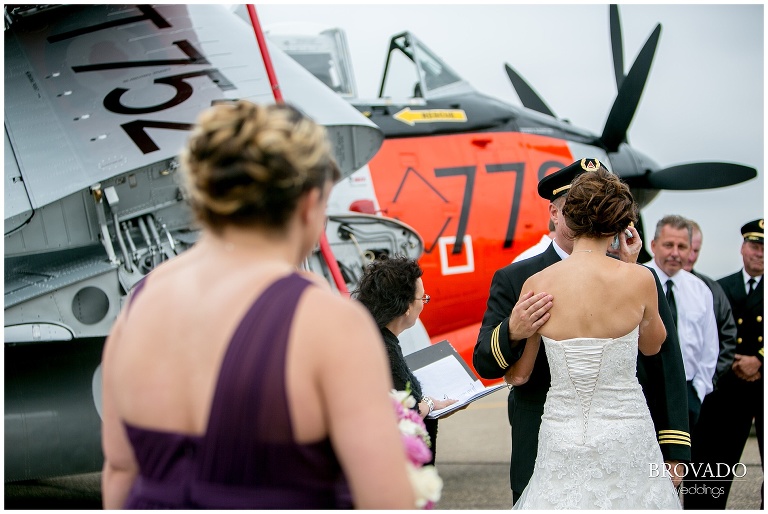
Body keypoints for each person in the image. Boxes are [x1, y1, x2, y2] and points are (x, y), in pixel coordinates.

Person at [100, 101, 415, 509]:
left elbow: (121, 472)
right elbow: (386, 501)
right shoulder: (327, 323)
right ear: (308, 201)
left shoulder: (138, 309)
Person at [474, 158, 690, 504]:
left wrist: (675, 448)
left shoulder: (537, 283)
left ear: (569, 216)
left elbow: (667, 365)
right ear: (553, 214)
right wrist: (512, 329)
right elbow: (653, 346)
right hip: (564, 445)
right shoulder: (515, 277)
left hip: (565, 442)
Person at [686, 219, 764, 510]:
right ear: (743, 248)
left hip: (763, 384)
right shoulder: (720, 287)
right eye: (755, 246)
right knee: (714, 462)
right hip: (729, 389)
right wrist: (732, 362)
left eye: (765, 248)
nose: (760, 253)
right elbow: (711, 334)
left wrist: (759, 359)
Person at [352, 255, 457, 465]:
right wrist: (430, 404)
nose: (424, 303)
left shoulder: (366, 335)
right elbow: (407, 413)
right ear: (407, 306)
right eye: (422, 298)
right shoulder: (385, 350)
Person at [646, 215, 719, 430]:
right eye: (669, 245)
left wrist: (698, 391)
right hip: (644, 389)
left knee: (680, 462)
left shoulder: (700, 290)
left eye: (682, 246)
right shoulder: (636, 281)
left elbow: (710, 347)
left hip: (686, 392)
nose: (675, 253)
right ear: (653, 245)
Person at [683, 219, 738, 389]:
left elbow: (727, 337)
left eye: (696, 251)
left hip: (699, 389)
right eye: (687, 248)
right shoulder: (650, 282)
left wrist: (705, 383)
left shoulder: (711, 289)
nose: (691, 256)